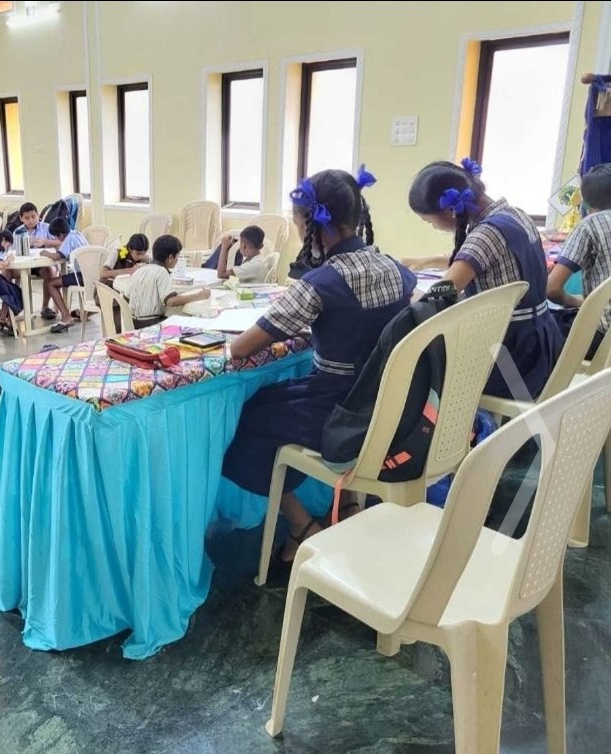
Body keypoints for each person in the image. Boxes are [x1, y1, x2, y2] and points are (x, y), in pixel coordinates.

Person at [222, 167, 415, 565]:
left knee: (247, 420)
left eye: (295, 221)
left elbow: (241, 348)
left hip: (337, 406)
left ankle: (300, 525)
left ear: (311, 223)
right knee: (275, 407)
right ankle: (344, 508)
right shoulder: (395, 269)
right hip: (391, 404)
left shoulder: (322, 282)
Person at [408, 158, 563, 399]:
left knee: (421, 372)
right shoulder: (513, 214)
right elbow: (480, 259)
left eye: (429, 221)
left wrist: (406, 289)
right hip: (541, 341)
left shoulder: (485, 233)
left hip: (511, 359)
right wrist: (423, 262)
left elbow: (437, 297)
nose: (432, 227)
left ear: (450, 211)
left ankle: (454, 433)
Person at [548, 163, 611, 360]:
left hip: (602, 336)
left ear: (585, 202)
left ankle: (526, 389)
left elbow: (551, 289)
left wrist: (574, 301)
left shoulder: (591, 224)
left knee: (532, 332)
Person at [126, 234, 210, 328]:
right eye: (177, 256)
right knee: (191, 323)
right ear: (170, 257)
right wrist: (199, 295)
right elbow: (171, 301)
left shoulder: (140, 270)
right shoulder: (161, 272)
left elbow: (127, 294)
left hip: (133, 322)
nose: (177, 260)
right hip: (152, 323)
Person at [41, 218, 89, 333]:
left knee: (51, 283)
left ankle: (66, 316)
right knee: (59, 279)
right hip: (90, 273)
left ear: (61, 235)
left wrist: (46, 253)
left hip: (82, 276)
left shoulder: (68, 239)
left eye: (57, 237)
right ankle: (69, 313)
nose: (57, 240)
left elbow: (57, 256)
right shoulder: (77, 233)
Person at [15, 201, 60, 318]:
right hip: (25, 264)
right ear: (21, 218)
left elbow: (60, 242)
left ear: (38, 215)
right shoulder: (18, 231)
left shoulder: (46, 228)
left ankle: (45, 307)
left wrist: (45, 242)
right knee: (7, 272)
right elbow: (13, 251)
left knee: (50, 272)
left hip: (43, 264)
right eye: (27, 218)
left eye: (33, 217)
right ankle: (9, 309)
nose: (31, 220)